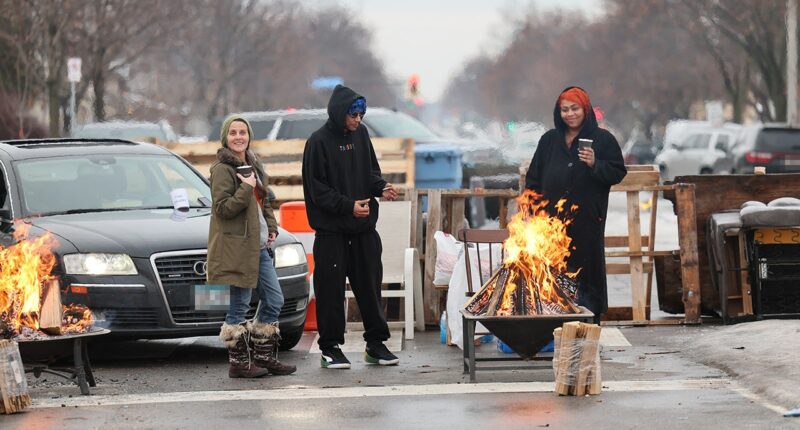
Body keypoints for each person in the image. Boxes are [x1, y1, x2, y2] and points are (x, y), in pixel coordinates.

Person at [302, 85, 400, 369]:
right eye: (353, 115)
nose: (358, 119)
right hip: (332, 232)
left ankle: (376, 344)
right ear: (339, 112)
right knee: (330, 292)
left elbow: (370, 173)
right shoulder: (318, 142)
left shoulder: (362, 134)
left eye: (361, 115)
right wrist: (348, 206)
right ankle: (330, 348)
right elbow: (317, 190)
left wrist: (381, 187)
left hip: (364, 230)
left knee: (370, 288)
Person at [525, 86, 627, 321]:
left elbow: (617, 172)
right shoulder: (549, 141)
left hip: (586, 222)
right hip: (550, 224)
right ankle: (553, 323)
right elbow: (533, 179)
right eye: (565, 110)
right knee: (553, 273)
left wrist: (595, 164)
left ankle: (588, 323)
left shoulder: (603, 139)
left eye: (575, 108)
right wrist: (530, 210)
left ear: (585, 109)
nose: (570, 114)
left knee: (586, 274)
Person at [208, 116, 297, 378]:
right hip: (238, 249)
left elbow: (264, 200)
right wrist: (245, 187)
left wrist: (271, 226)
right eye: (233, 132)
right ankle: (238, 364)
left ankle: (263, 356)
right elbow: (223, 209)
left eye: (243, 132)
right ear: (225, 137)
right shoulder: (222, 169)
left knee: (275, 299)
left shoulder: (252, 163)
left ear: (249, 136)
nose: (239, 137)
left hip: (259, 247)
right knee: (240, 305)